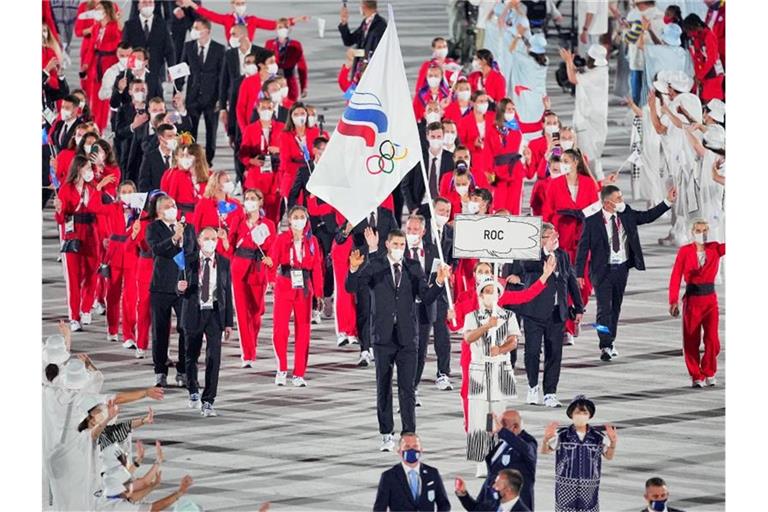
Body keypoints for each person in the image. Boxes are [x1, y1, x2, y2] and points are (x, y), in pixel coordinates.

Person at [346, 229, 450, 450]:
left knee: (407, 388)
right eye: (396, 243)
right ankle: (386, 433)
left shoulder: (413, 267)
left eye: (402, 244)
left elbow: (426, 296)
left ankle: (409, 433)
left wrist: (439, 283)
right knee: (383, 387)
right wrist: (354, 269)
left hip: (407, 337)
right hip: (383, 337)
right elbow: (352, 287)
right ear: (387, 244)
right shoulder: (376, 266)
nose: (399, 248)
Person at [575, 184, 676, 361]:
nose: (622, 201)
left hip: (621, 269)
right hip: (601, 271)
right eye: (618, 199)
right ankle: (604, 344)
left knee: (615, 308)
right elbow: (583, 249)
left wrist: (667, 201)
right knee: (603, 309)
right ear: (607, 203)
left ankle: (611, 339)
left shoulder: (626, 214)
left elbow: (647, 217)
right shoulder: (592, 221)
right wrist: (579, 274)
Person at [509, 223, 583, 408]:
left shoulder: (563, 256)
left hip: (557, 313)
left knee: (555, 354)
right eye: (550, 235)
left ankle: (550, 392)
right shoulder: (531, 255)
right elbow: (527, 267)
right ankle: (533, 387)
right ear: (541, 239)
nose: (556, 237)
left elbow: (571, 281)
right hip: (534, 312)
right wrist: (544, 252)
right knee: (533, 352)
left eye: (555, 234)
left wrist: (579, 307)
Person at [462, 276, 520, 477]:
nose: (490, 295)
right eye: (486, 291)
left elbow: (513, 340)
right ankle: (480, 461)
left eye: (493, 291)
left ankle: (498, 457)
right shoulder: (472, 316)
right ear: (480, 295)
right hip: (479, 368)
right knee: (478, 416)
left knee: (498, 415)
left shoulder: (509, 316)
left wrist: (501, 349)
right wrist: (487, 326)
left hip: (500, 368)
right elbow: (468, 337)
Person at [178, 227, 234, 417]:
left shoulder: (224, 263)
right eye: (206, 238)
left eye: (213, 238)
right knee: (191, 355)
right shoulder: (188, 260)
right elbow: (179, 287)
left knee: (214, 358)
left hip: (214, 314)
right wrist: (180, 288)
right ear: (199, 241)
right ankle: (193, 389)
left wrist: (228, 322)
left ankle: (208, 400)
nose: (210, 241)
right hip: (194, 312)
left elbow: (228, 293)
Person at [269, 206, 324, 387]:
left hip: (304, 288)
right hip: (285, 284)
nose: (299, 220)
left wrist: (319, 293)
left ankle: (299, 373)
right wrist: (271, 279)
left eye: (302, 217)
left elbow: (316, 267)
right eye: (296, 217)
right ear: (289, 220)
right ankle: (281, 368)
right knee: (280, 329)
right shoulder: (281, 239)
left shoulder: (312, 241)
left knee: (304, 330)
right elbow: (272, 260)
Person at [336, 204, 398, 365]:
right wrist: (347, 228)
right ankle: (364, 349)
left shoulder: (386, 214)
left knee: (382, 310)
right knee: (364, 309)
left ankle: (379, 346)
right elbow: (339, 239)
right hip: (363, 268)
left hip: (383, 268)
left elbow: (396, 237)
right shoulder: (355, 212)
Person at [54, 155, 110, 331]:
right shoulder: (66, 188)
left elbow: (100, 211)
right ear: (78, 169)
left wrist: (105, 236)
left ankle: (86, 307)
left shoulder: (94, 188)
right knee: (73, 278)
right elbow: (61, 218)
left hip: (91, 235)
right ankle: (74, 317)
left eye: (90, 168)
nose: (90, 172)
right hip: (73, 235)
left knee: (92, 274)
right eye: (86, 168)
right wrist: (59, 209)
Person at [668, 219, 724, 388]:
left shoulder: (714, 248)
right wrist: (673, 301)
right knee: (691, 340)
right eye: (699, 230)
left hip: (710, 301)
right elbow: (676, 276)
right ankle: (696, 375)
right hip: (692, 301)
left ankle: (709, 370)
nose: (702, 233)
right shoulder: (685, 251)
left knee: (712, 339)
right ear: (692, 232)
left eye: (705, 230)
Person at [145, 195, 193, 387]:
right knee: (160, 330)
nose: (172, 208)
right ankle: (160, 371)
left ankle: (183, 370)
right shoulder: (153, 228)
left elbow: (192, 251)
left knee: (186, 329)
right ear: (159, 211)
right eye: (167, 206)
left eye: (173, 205)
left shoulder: (188, 227)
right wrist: (174, 238)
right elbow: (157, 250)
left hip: (183, 286)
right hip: (161, 286)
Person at [542, 395, 618, 512]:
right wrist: (546, 440)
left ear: (590, 415)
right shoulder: (562, 435)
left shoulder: (597, 437)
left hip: (589, 489)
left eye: (584, 413)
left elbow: (608, 456)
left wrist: (612, 443)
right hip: (565, 488)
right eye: (578, 412)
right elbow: (545, 451)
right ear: (571, 414)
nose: (581, 416)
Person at [404, 214, 451, 399]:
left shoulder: (434, 251)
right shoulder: (399, 250)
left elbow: (438, 281)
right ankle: (406, 386)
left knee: (421, 349)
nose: (411, 233)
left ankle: (413, 387)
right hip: (404, 309)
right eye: (408, 229)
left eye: (415, 230)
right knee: (407, 349)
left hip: (425, 307)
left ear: (423, 232)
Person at [229, 188, 276, 367]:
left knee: (256, 311)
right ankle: (247, 353)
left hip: (258, 269)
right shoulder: (237, 220)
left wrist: (271, 274)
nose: (248, 201)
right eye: (246, 198)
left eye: (252, 198)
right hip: (240, 267)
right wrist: (224, 240)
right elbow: (230, 246)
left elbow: (272, 251)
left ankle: (252, 342)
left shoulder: (269, 225)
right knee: (242, 312)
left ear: (260, 201)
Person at [455, 410, 537, 511]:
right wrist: (464, 495)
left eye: (503, 425)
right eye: (498, 423)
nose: (498, 428)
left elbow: (525, 449)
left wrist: (502, 431)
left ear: (515, 427)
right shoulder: (500, 443)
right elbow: (491, 474)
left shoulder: (528, 442)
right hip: (492, 502)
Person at [179, 18, 226, 166]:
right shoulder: (188, 47)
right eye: (194, 27)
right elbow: (182, 68)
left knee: (211, 132)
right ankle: (191, 157)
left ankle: (208, 160)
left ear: (207, 31)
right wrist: (178, 89)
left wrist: (221, 99)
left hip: (212, 98)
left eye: (197, 28)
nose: (194, 30)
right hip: (192, 97)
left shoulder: (219, 49)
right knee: (190, 130)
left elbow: (222, 75)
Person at [560, 44, 609, 180]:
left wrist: (568, 61)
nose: (586, 58)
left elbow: (573, 79)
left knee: (590, 160)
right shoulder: (597, 69)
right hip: (587, 121)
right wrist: (570, 63)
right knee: (586, 158)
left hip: (590, 124)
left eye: (588, 57)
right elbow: (577, 72)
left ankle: (597, 189)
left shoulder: (597, 74)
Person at [102, 180, 141, 348]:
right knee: (112, 294)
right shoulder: (113, 208)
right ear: (118, 193)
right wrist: (99, 187)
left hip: (132, 256)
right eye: (124, 191)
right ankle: (112, 328)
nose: (127, 194)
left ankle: (128, 335)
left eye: (130, 191)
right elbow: (95, 208)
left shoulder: (139, 212)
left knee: (131, 297)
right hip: (114, 255)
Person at [373, 433, 451, 512]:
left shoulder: (432, 473)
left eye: (415, 446)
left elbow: (444, 504)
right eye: (407, 446)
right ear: (399, 451)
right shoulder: (389, 476)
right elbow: (379, 508)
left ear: (421, 450)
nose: (411, 450)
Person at [183, 0, 307, 41]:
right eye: (238, 3)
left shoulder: (252, 20)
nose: (240, 5)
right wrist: (192, 4)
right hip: (232, 51)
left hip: (248, 52)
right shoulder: (227, 19)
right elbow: (209, 15)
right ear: (233, 5)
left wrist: (296, 20)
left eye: (243, 3)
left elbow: (272, 25)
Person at [120, 0, 176, 85]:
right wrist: (129, 69)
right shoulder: (129, 26)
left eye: (150, 2)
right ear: (138, 6)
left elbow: (169, 50)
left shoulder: (162, 25)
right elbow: (124, 50)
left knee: (157, 97)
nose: (147, 5)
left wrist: (171, 70)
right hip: (135, 72)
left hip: (157, 71)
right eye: (144, 2)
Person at [404, 122, 454, 216]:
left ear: (443, 137)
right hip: (421, 205)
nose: (436, 139)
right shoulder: (418, 158)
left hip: (443, 206)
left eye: (439, 136)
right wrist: (413, 208)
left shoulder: (451, 159)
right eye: (433, 136)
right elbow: (406, 185)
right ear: (427, 137)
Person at [339, 0, 387, 78]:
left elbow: (375, 52)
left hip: (372, 74)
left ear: (364, 6)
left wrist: (356, 53)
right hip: (360, 72)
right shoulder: (365, 23)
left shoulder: (380, 25)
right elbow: (348, 41)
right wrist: (344, 22)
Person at [682, 14, 724, 102]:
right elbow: (697, 59)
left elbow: (711, 60)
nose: (688, 34)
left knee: (712, 105)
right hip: (704, 75)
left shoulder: (709, 36)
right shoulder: (696, 38)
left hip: (714, 75)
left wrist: (699, 76)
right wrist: (697, 75)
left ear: (696, 26)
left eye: (689, 30)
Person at [265, 18, 308, 101]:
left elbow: (302, 67)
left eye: (286, 27)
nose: (282, 29)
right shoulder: (269, 43)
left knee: (290, 106)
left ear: (289, 29)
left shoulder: (296, 44)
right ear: (276, 29)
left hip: (290, 80)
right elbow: (264, 63)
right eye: (280, 27)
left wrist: (304, 86)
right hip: (273, 80)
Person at [457, 468, 531, 512]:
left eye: (498, 484)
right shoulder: (494, 504)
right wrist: (463, 494)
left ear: (509, 490)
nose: (493, 486)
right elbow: (475, 508)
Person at [138, 123, 178, 192]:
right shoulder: (149, 157)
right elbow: (143, 184)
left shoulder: (179, 156)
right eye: (169, 136)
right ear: (160, 138)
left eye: (175, 136)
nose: (173, 139)